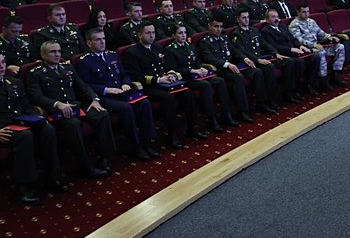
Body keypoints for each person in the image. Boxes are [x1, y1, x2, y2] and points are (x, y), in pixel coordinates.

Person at [0, 52, 68, 204]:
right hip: (1, 130)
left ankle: (53, 177)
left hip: (22, 123)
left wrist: (37, 118)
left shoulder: (15, 83)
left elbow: (27, 107)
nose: (1, 66)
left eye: (3, 62)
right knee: (24, 136)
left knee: (48, 129)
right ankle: (25, 186)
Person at [25, 41, 114, 179]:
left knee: (101, 114)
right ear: (43, 54)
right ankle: (84, 167)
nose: (57, 54)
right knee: (73, 124)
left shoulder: (68, 68)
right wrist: (56, 104)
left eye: (59, 51)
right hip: (56, 113)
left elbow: (82, 87)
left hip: (75, 106)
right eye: (53, 52)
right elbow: (36, 96)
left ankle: (105, 157)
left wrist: (94, 99)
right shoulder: (35, 73)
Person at [75, 29, 159, 161]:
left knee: (145, 102)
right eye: (98, 39)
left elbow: (124, 74)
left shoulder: (112, 55)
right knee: (126, 108)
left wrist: (126, 83)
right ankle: (135, 146)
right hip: (104, 97)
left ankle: (147, 141)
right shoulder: (84, 61)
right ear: (89, 43)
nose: (102, 42)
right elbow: (84, 85)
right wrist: (106, 89)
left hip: (121, 91)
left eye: (103, 38)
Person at [122, 22, 207, 150]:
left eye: (153, 33)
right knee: (168, 98)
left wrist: (171, 75)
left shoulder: (157, 48)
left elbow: (169, 66)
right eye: (148, 33)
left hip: (164, 82)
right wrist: (159, 79)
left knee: (187, 92)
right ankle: (173, 135)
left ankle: (192, 128)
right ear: (139, 35)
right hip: (149, 86)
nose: (151, 35)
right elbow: (136, 76)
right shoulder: (132, 52)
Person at [165, 24, 245, 132]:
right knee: (206, 85)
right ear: (173, 36)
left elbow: (197, 62)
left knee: (219, 81)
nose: (183, 35)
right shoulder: (170, 50)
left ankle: (226, 114)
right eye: (180, 33)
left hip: (197, 75)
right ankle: (212, 119)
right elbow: (173, 70)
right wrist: (192, 70)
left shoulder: (189, 45)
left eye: (184, 32)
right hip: (185, 78)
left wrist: (202, 68)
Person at [196, 16, 256, 124]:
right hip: (216, 71)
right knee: (224, 81)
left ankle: (242, 111)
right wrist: (227, 64)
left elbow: (235, 51)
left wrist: (245, 58)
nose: (218, 29)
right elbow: (209, 58)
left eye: (220, 27)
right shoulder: (205, 41)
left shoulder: (224, 38)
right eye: (215, 26)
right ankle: (226, 114)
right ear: (209, 26)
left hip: (228, 69)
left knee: (239, 76)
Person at [289, 3, 347, 90]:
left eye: (308, 11)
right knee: (321, 52)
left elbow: (321, 33)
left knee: (340, 47)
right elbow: (299, 40)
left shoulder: (311, 21)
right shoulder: (294, 25)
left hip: (318, 46)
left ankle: (335, 75)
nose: (306, 14)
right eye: (304, 12)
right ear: (298, 12)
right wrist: (313, 45)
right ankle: (323, 79)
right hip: (308, 50)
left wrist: (329, 37)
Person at [260, 9, 318, 96]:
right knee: (298, 62)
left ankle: (309, 84)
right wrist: (290, 49)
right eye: (273, 17)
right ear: (267, 19)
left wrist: (299, 45)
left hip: (295, 51)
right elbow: (273, 47)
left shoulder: (283, 26)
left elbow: (293, 39)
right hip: (283, 55)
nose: (276, 19)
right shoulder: (265, 31)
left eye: (277, 17)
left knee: (315, 58)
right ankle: (292, 90)